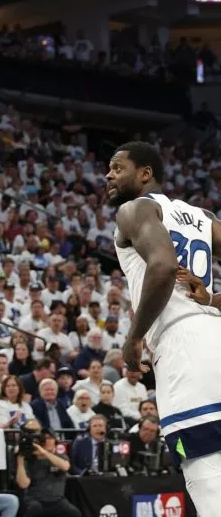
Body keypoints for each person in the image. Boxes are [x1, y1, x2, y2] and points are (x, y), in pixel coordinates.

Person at [106, 141, 221, 512]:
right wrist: (213, 300)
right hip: (213, 332)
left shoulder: (134, 208)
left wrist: (134, 337)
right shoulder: (203, 216)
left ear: (145, 174)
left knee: (209, 483)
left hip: (184, 350)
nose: (108, 174)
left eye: (117, 167)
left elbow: (163, 267)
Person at [14, 426, 78, 517]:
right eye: (44, 438)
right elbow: (23, 484)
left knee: (74, 513)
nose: (47, 441)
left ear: (55, 440)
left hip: (57, 501)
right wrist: (20, 462)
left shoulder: (61, 456)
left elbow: (65, 466)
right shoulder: (30, 459)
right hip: (35, 500)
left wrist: (44, 452)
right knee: (35, 508)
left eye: (50, 438)